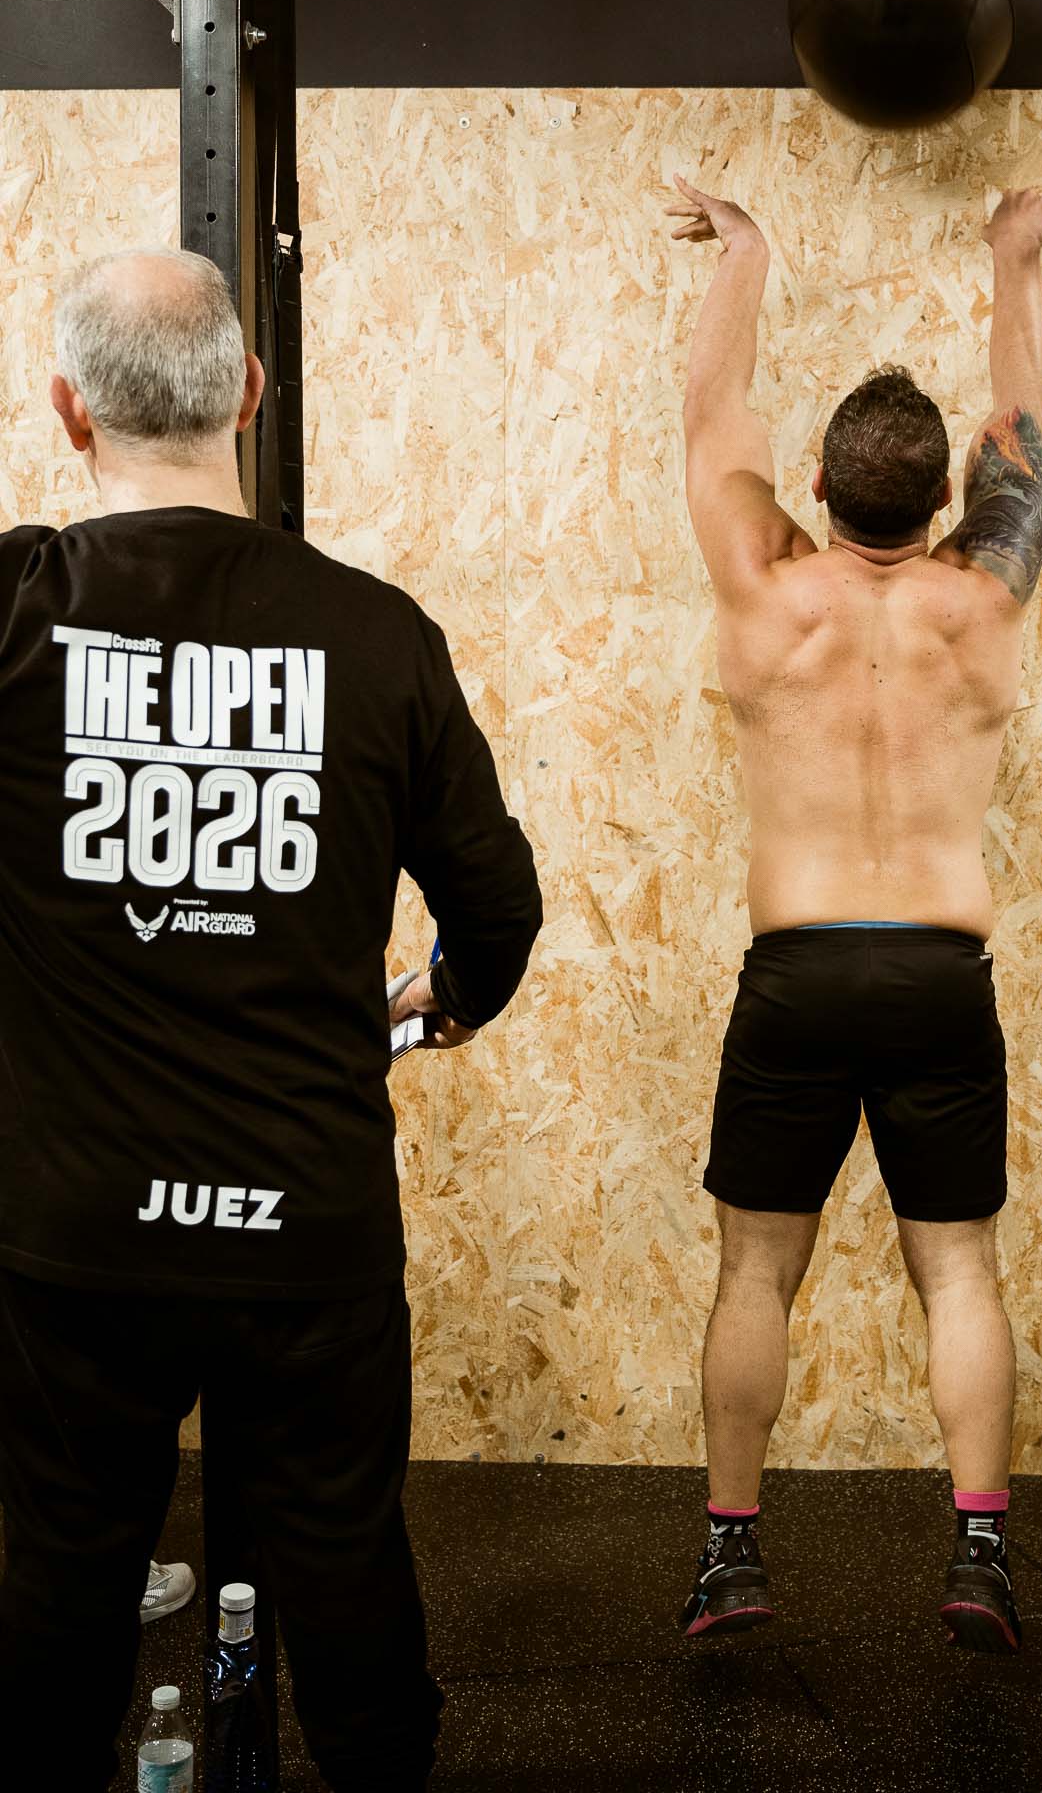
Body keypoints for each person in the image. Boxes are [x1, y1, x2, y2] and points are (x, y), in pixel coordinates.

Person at [0, 251, 542, 1788]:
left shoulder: (13, 612)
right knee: (345, 1560)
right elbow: (497, 916)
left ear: (67, 411)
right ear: (249, 392)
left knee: (63, 1579)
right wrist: (434, 1010)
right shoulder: (375, 634)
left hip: (80, 1230)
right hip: (303, 1221)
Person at [665, 174, 1042, 1653]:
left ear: (823, 489)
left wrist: (746, 253)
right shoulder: (984, 595)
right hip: (936, 973)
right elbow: (1022, 432)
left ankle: (732, 1558)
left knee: (755, 1269)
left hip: (796, 973)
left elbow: (710, 417)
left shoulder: (763, 580)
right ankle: (980, 1553)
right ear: (940, 502)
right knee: (958, 1267)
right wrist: (1014, 256)